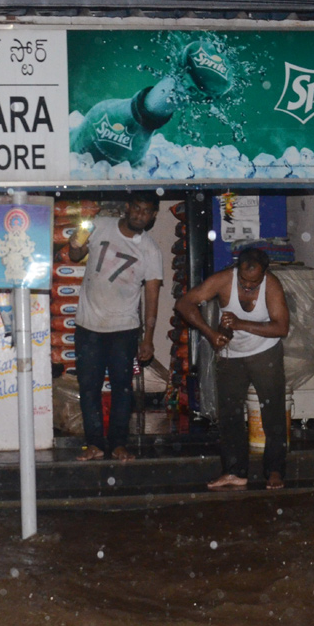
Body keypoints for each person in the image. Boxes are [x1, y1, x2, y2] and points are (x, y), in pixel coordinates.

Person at [174, 248, 290, 490]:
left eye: (254, 283)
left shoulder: (272, 285)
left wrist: (241, 324)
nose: (247, 287)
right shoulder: (224, 279)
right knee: (229, 414)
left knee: (273, 411)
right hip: (231, 356)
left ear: (264, 274)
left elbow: (281, 328)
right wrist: (210, 334)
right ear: (237, 270)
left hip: (265, 352)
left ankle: (275, 470)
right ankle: (234, 471)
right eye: (244, 281)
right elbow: (184, 304)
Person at [69, 192, 163, 461]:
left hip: (124, 329)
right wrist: (75, 243)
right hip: (88, 325)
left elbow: (153, 296)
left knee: (123, 389)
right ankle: (95, 444)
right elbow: (76, 255)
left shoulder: (150, 250)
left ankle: (119, 443)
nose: (139, 215)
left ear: (153, 216)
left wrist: (149, 338)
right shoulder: (101, 224)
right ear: (127, 207)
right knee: (89, 388)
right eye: (136, 208)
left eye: (146, 211)